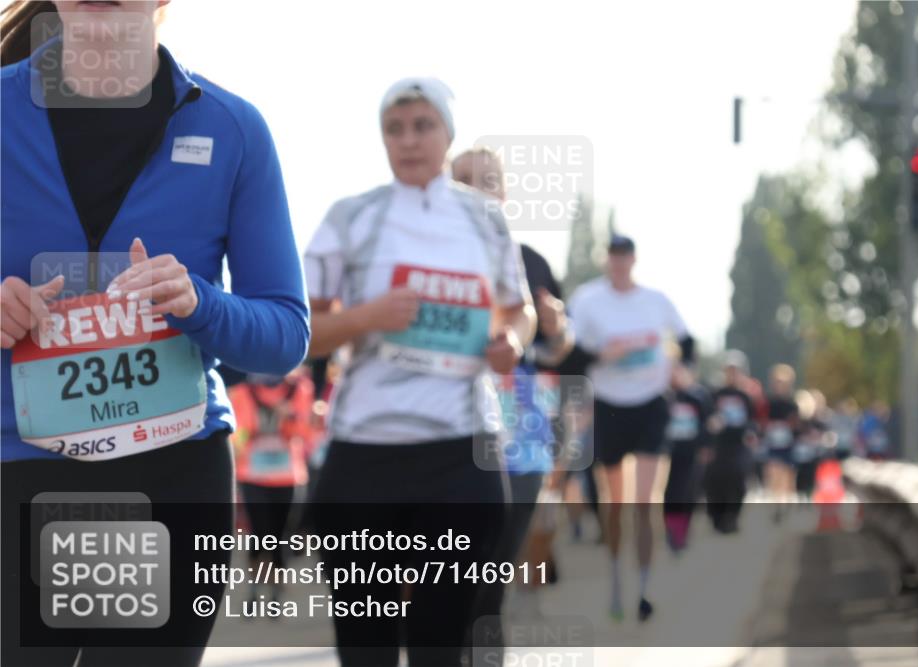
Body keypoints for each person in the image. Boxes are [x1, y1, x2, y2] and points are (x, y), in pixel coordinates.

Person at [0, 2, 309, 666]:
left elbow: (285, 333)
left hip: (172, 475)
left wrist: (201, 302)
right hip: (15, 471)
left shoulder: (233, 129)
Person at [303, 78, 535, 667]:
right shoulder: (350, 217)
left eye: (423, 126)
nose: (408, 141)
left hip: (460, 454)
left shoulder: (486, 220)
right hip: (364, 453)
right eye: (394, 128)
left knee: (444, 642)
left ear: (448, 133)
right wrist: (367, 317)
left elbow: (519, 309)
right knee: (366, 646)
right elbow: (300, 331)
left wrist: (512, 339)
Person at [452, 146, 574, 658]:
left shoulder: (531, 262)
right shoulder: (424, 256)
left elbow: (561, 352)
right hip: (446, 433)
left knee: (487, 585)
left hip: (518, 442)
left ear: (503, 193)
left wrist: (554, 327)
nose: (478, 190)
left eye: (488, 181)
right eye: (464, 181)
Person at [567, 234, 695, 622]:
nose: (619, 263)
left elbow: (688, 341)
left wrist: (682, 370)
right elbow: (567, 351)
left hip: (651, 405)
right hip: (608, 407)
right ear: (607, 260)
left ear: (634, 260)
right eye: (614, 257)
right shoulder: (588, 300)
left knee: (645, 501)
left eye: (625, 257)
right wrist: (600, 355)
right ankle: (615, 580)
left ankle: (644, 587)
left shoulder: (655, 300)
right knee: (615, 504)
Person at [229, 368, 316, 602]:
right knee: (258, 533)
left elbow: (304, 433)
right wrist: (245, 436)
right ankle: (255, 588)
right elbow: (238, 434)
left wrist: (288, 417)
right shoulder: (242, 392)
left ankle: (277, 589)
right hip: (252, 475)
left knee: (281, 536)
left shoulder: (300, 388)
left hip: (288, 475)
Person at [703, 350, 755, 534]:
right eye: (729, 371)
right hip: (719, 446)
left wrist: (751, 434)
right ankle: (716, 518)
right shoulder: (715, 395)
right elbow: (707, 419)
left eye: (736, 371)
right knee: (715, 481)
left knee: (738, 480)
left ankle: (732, 517)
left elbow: (752, 422)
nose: (733, 375)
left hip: (738, 445)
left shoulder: (746, 397)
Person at [662, 362, 711, 552]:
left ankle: (681, 532)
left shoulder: (698, 397)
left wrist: (706, 447)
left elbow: (708, 423)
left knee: (687, 492)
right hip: (669, 453)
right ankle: (670, 529)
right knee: (670, 493)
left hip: (691, 453)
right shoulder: (665, 397)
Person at [763, 364, 800, 518]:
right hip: (773, 444)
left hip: (787, 445)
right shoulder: (768, 403)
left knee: (786, 475)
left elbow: (797, 426)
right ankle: (776, 503)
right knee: (773, 472)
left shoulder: (792, 404)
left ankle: (785, 500)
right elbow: (762, 422)